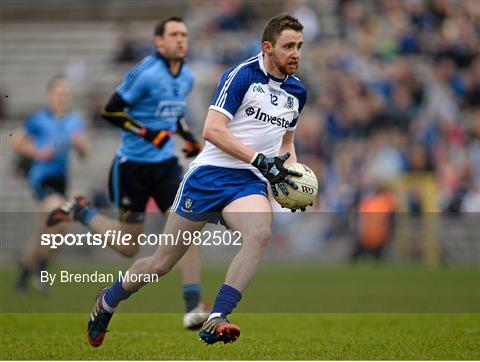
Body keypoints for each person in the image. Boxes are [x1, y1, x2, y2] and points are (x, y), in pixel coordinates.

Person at [85, 14, 307, 347]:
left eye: (300, 46)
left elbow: (286, 143)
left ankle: (218, 316)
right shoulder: (241, 76)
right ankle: (108, 301)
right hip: (208, 176)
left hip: (247, 182)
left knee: (259, 232)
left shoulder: (297, 92)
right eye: (288, 46)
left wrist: (293, 177)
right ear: (267, 47)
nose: (295, 53)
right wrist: (261, 160)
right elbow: (212, 131)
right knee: (160, 263)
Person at [47, 17, 209, 330]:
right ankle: (81, 212)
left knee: (186, 230)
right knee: (128, 247)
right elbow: (110, 109)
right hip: (131, 168)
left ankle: (192, 307)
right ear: (159, 42)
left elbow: (172, 115)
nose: (181, 40)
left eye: (184, 35)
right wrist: (147, 134)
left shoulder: (186, 78)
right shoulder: (146, 73)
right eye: (173, 35)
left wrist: (188, 137)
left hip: (166, 168)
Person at [11, 76, 89, 292]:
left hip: (61, 179)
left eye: (66, 94)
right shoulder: (38, 119)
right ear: (50, 95)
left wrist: (80, 145)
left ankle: (25, 275)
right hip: (41, 177)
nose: (63, 97)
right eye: (59, 93)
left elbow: (84, 153)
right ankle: (42, 269)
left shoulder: (74, 121)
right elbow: (16, 141)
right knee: (58, 214)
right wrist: (37, 152)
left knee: (47, 229)